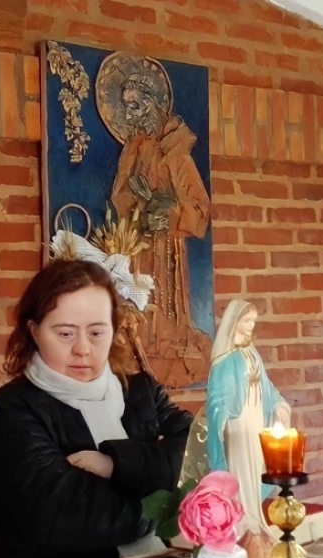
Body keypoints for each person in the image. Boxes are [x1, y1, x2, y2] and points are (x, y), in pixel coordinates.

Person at [0, 259, 193, 558]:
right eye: (65, 333)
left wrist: (113, 464)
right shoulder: (10, 412)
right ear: (34, 331)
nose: (82, 349)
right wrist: (166, 501)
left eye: (96, 332)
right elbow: (72, 517)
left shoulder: (139, 391)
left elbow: (197, 450)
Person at [107, 69, 213, 388]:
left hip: (167, 247)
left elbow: (199, 207)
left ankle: (166, 352)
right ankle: (141, 351)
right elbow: (119, 195)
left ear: (153, 104)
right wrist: (138, 200)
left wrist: (165, 205)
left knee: (165, 304)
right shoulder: (135, 149)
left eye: (135, 106)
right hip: (142, 243)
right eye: (125, 107)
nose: (129, 114)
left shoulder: (176, 154)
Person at [205, 299, 290, 558]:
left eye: (253, 321)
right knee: (241, 474)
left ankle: (256, 521)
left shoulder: (252, 352)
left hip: (257, 421)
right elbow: (217, 399)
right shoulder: (225, 359)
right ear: (234, 322)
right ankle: (244, 524)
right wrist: (223, 420)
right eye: (247, 321)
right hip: (238, 425)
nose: (251, 326)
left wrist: (278, 404)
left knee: (255, 474)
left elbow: (266, 386)